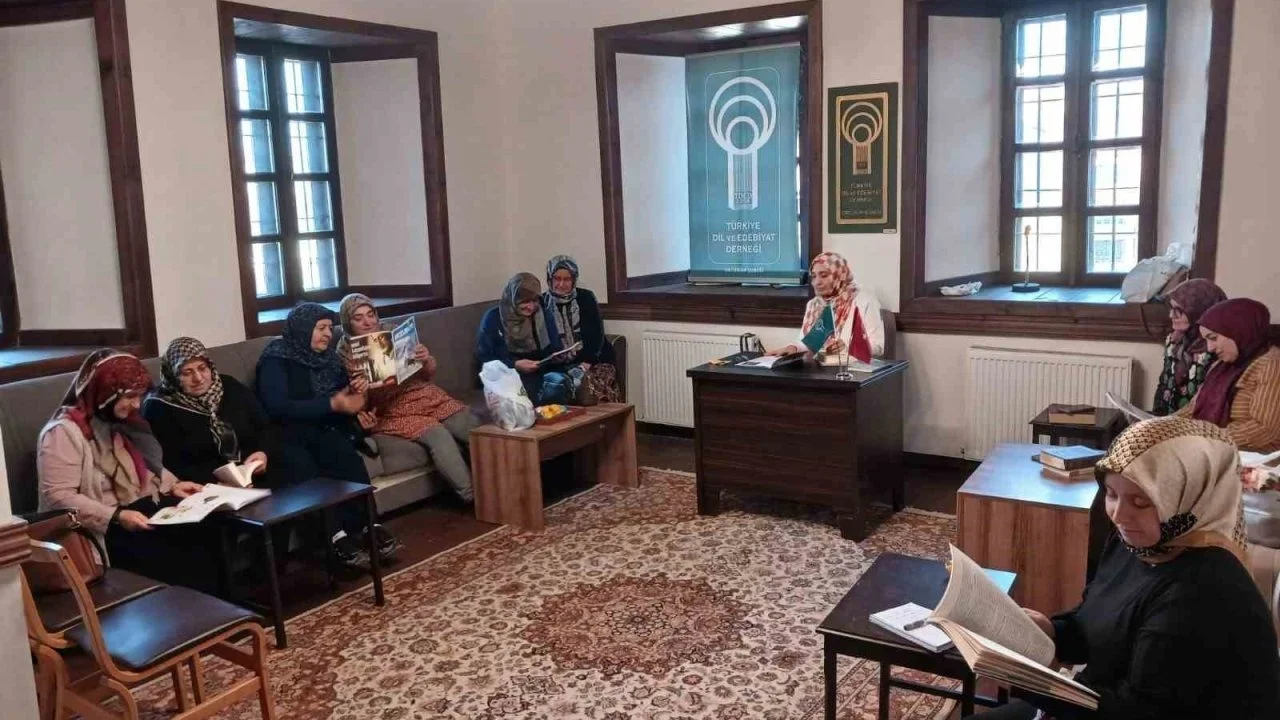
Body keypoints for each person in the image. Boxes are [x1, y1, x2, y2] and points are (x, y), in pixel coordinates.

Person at [968, 417, 1280, 720]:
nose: (1119, 515)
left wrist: (1030, 679)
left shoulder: (1201, 593)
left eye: (1140, 502)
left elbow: (1136, 713)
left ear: (1186, 498)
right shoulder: (1140, 544)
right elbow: (1099, 624)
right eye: (1112, 494)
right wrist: (1052, 631)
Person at [36, 349, 214, 591]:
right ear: (104, 393)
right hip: (103, 529)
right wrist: (116, 516)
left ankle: (219, 610)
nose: (137, 404)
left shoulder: (120, 421)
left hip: (136, 512)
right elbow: (58, 498)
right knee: (174, 552)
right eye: (130, 397)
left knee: (205, 531)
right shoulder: (63, 433)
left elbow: (144, 465)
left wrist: (173, 485)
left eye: (139, 396)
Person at [255, 303, 399, 566]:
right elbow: (277, 407)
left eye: (329, 329)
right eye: (320, 328)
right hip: (286, 434)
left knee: (347, 459)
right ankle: (335, 537)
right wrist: (332, 405)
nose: (327, 335)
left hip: (323, 428)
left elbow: (343, 398)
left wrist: (356, 395)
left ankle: (369, 526)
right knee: (305, 469)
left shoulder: (330, 359)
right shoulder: (276, 358)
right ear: (303, 328)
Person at [338, 293, 477, 502]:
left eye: (370, 315)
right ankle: (473, 497)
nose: (368, 322)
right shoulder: (345, 353)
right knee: (438, 436)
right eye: (358, 318)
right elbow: (357, 405)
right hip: (390, 410)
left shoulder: (394, 332)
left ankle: (500, 483)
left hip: (423, 394)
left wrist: (425, 359)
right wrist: (359, 390)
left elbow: (427, 374)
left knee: (470, 427)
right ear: (348, 323)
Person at [144, 337, 293, 488]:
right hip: (207, 485)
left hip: (256, 471)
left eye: (202, 368)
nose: (198, 378)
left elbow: (265, 427)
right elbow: (170, 463)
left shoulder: (229, 386)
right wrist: (219, 482)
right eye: (187, 373)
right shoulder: (159, 406)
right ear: (172, 375)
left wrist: (262, 452)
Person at [1176, 297, 1280, 452]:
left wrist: (1203, 437)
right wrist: (1162, 425)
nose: (1210, 348)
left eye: (1213, 338)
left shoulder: (1271, 365)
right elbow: (1192, 409)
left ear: (1239, 331)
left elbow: (1264, 430)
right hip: (1213, 449)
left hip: (1253, 457)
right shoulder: (1221, 367)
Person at [477, 272, 583, 405]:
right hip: (508, 374)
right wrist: (515, 364)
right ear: (513, 298)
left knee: (562, 382)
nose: (531, 307)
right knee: (532, 391)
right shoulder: (494, 318)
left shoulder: (542, 314)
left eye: (534, 301)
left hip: (541, 371)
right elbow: (485, 357)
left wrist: (558, 356)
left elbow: (554, 347)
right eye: (525, 302)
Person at [768, 252, 885, 362]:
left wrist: (848, 346)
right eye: (814, 276)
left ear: (839, 275)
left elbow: (878, 347)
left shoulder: (864, 301)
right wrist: (793, 348)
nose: (817, 282)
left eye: (823, 275)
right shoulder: (814, 305)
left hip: (852, 371)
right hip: (817, 369)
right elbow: (809, 343)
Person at [543, 255, 622, 403]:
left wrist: (584, 365)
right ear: (549, 279)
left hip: (594, 361)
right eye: (557, 279)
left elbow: (596, 336)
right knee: (557, 385)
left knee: (590, 388)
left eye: (566, 279)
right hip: (561, 365)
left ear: (573, 280)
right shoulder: (543, 303)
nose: (561, 284)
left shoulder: (586, 298)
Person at [1151, 278, 1227, 416]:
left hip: (1197, 423)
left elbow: (1213, 403)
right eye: (1171, 309)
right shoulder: (1174, 341)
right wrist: (1154, 419)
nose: (1171, 315)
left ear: (1200, 311)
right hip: (1167, 421)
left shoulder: (1217, 348)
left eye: (1179, 310)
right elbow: (1163, 385)